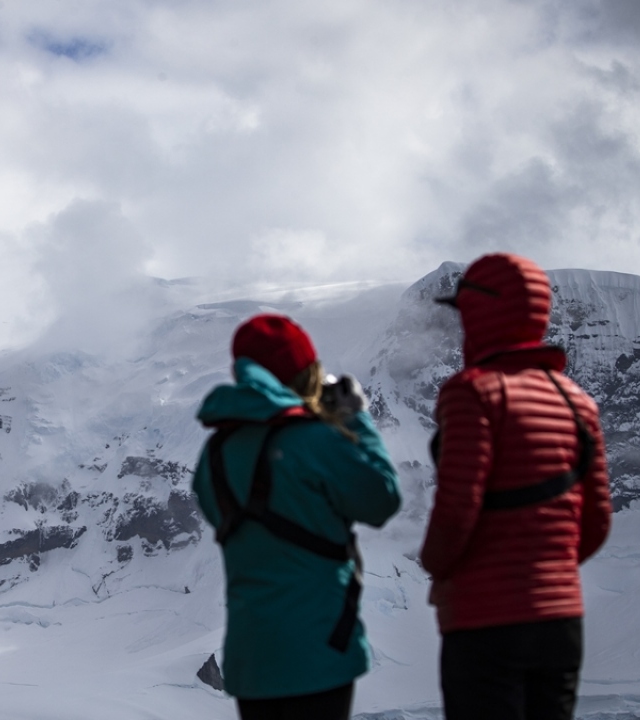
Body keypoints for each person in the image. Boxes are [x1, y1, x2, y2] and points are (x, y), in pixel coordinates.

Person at [422, 253, 613, 720]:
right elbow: (597, 521)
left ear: (481, 313)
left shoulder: (473, 391)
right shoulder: (577, 401)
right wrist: (549, 572)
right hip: (561, 623)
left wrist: (437, 565)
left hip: (484, 620)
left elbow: (457, 508)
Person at [191, 314, 402, 720]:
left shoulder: (214, 454)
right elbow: (381, 499)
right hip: (319, 651)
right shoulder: (316, 441)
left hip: (252, 656)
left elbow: (217, 511)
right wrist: (354, 417)